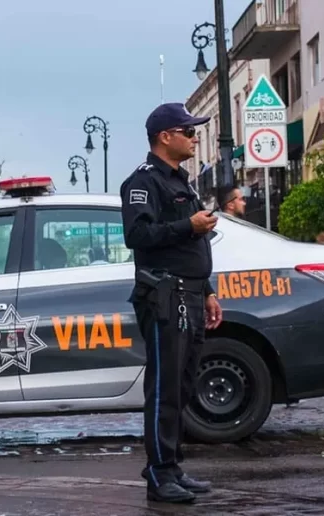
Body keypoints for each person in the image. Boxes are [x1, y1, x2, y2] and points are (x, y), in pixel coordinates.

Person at [120, 102, 222, 504]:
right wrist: (188, 225)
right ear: (166, 136)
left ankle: (172, 464)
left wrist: (209, 291)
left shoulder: (182, 181)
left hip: (191, 291)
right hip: (165, 295)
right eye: (189, 131)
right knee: (163, 387)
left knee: (180, 384)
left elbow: (192, 243)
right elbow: (138, 235)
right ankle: (160, 474)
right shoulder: (144, 182)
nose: (195, 138)